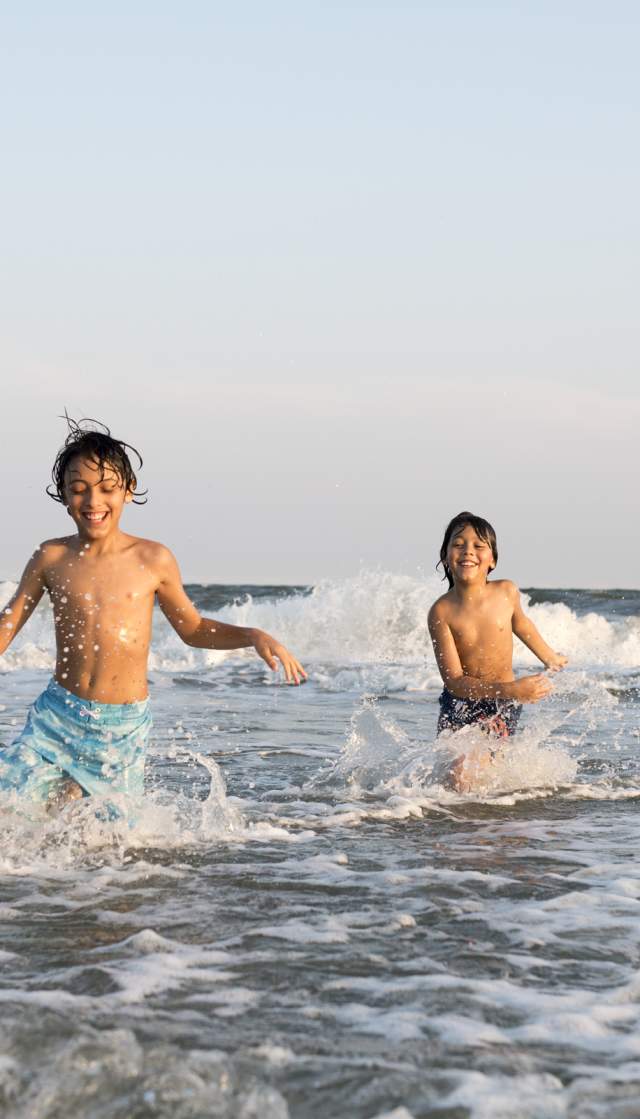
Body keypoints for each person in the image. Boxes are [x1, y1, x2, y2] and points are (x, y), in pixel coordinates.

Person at [0, 417, 306, 813]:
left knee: (112, 844)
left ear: (128, 491)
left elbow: (193, 629)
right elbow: (7, 627)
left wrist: (252, 635)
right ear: (63, 495)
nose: (94, 502)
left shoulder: (151, 559)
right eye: (79, 490)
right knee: (10, 807)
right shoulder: (51, 557)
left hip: (120, 728)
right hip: (57, 717)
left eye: (107, 489)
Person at [428, 511, 567, 790]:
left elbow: (522, 624)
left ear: (492, 560)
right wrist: (514, 690)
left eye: (479, 546)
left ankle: (489, 824)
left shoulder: (506, 591)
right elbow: (453, 681)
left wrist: (549, 657)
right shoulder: (441, 611)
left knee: (478, 769)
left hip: (500, 704)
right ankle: (462, 825)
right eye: (458, 544)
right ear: (445, 556)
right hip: (459, 702)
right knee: (453, 777)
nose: (468, 551)